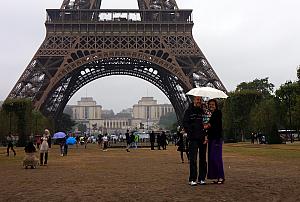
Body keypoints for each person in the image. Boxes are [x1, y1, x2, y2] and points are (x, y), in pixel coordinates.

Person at [183, 96, 207, 186]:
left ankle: (201, 178)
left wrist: (205, 134)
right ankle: (192, 179)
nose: (199, 101)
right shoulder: (188, 111)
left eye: (200, 100)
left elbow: (206, 123)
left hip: (202, 138)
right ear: (194, 100)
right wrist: (191, 132)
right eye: (197, 99)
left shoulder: (203, 112)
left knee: (203, 159)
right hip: (193, 138)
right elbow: (185, 123)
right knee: (193, 159)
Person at [205, 99, 225, 184]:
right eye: (210, 105)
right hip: (212, 139)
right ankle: (217, 176)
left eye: (212, 104)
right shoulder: (212, 114)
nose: (211, 106)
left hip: (216, 139)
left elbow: (213, 125)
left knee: (216, 158)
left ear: (216, 105)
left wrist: (207, 125)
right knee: (212, 158)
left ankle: (221, 177)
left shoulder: (217, 113)